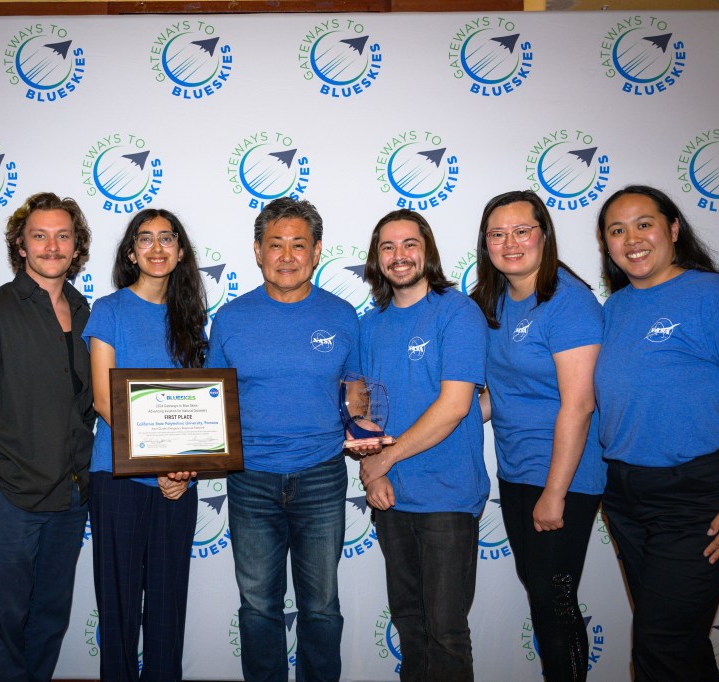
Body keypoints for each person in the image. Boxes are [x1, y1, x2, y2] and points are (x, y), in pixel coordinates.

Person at [594, 185, 719, 680]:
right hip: (626, 495)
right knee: (675, 643)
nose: (631, 238)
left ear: (673, 229)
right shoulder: (612, 310)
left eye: (644, 224)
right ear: (606, 245)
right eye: (617, 230)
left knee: (661, 644)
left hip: (700, 495)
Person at [0, 192, 95, 681]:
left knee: (48, 620)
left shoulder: (86, 312)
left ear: (77, 246)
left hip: (71, 496)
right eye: (40, 235)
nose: (53, 245)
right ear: (21, 245)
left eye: (63, 235)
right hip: (10, 500)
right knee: (1, 626)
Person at [206, 197, 359, 682]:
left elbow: (357, 395)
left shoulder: (342, 316)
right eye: (276, 245)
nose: (287, 256)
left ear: (316, 252)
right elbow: (211, 403)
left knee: (321, 608)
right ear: (257, 251)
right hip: (250, 479)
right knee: (257, 607)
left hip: (321, 476)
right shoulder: (230, 319)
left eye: (299, 245)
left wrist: (369, 439)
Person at [470, 191, 605, 681]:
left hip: (566, 476)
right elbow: (495, 397)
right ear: (485, 244)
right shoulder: (494, 302)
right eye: (497, 234)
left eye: (522, 231)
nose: (510, 243)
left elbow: (580, 403)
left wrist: (555, 492)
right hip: (516, 468)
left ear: (543, 235)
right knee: (541, 593)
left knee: (555, 599)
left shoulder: (568, 301)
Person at [352, 209, 489, 682]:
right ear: (376, 259)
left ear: (427, 250)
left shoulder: (457, 312)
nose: (399, 256)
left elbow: (454, 407)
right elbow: (367, 409)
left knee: (446, 633)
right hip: (392, 497)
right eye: (387, 247)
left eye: (409, 244)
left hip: (447, 497)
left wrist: (381, 462)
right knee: (409, 626)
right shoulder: (370, 326)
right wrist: (375, 468)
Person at [82, 208, 205, 682]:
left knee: (168, 605)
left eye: (167, 239)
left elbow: (199, 413)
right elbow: (102, 398)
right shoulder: (109, 311)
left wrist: (180, 472)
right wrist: (156, 465)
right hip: (120, 477)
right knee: (118, 605)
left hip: (177, 481)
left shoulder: (192, 319)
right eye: (145, 240)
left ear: (179, 251)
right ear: (131, 252)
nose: (157, 248)